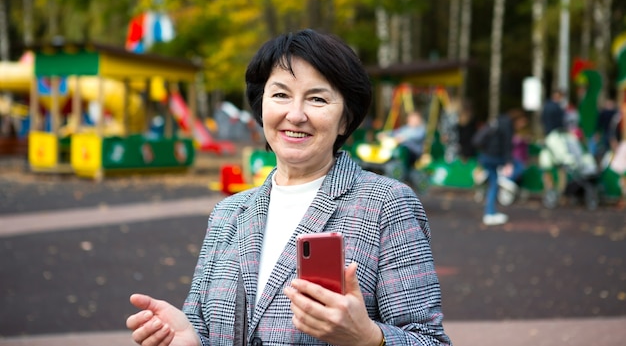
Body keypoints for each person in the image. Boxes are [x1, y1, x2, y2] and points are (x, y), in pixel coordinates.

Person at [126, 29, 452, 345]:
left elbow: (429, 341)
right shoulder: (228, 212)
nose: (295, 115)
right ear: (261, 105)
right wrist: (191, 338)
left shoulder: (386, 204)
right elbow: (201, 322)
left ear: (345, 119)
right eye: (281, 94)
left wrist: (369, 339)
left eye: (317, 98)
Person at [474, 112, 514, 226]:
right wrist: (508, 162)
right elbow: (507, 146)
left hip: (485, 157)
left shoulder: (493, 125)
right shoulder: (506, 126)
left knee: (493, 182)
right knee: (494, 184)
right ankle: (490, 213)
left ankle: (490, 211)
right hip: (495, 158)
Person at [376, 110, 427, 179]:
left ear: (419, 120)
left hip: (413, 152)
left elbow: (416, 136)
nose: (413, 121)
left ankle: (402, 172)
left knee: (403, 152)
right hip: (401, 151)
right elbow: (395, 133)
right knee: (393, 152)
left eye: (415, 119)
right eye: (411, 119)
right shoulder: (405, 129)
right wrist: (385, 134)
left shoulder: (420, 130)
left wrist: (403, 138)